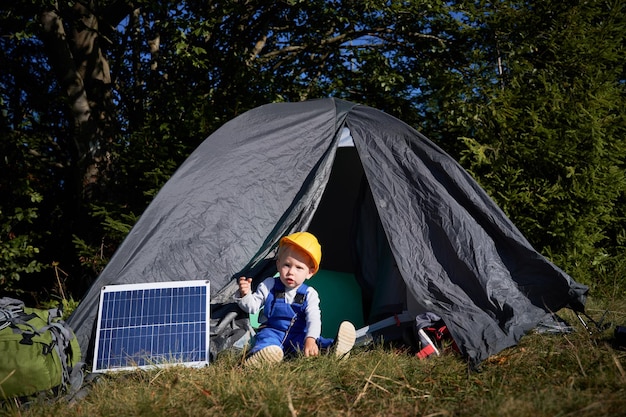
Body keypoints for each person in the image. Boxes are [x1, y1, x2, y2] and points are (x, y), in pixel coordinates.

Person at [236, 231, 356, 366]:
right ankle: (262, 356)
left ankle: (333, 349)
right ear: (278, 264)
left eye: (299, 267)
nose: (291, 272)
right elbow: (252, 308)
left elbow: (314, 318)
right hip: (272, 332)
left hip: (298, 335)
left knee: (314, 343)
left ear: (309, 272)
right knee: (266, 341)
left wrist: (310, 339)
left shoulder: (309, 294)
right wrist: (246, 294)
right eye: (287, 265)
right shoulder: (269, 284)